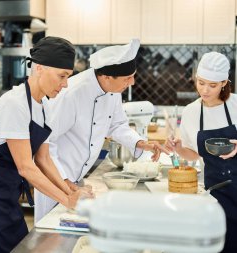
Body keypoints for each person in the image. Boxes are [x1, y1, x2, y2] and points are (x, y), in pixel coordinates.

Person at [0, 36, 82, 253]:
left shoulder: (44, 106)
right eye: (62, 76)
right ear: (40, 68)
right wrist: (66, 201)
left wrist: (69, 193)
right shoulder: (14, 103)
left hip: (6, 192)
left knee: (18, 247)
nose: (65, 84)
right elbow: (26, 166)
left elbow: (43, 159)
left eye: (68, 77)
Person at [34, 39, 170, 222]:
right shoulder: (71, 94)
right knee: (50, 235)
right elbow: (46, 144)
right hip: (54, 180)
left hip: (77, 180)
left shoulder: (113, 91)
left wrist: (141, 143)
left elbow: (117, 125)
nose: (133, 82)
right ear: (106, 77)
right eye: (127, 78)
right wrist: (65, 182)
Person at [165, 52, 237, 253]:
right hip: (216, 193)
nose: (204, 90)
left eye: (212, 85)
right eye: (201, 82)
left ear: (224, 82)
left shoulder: (236, 105)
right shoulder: (191, 112)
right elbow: (194, 154)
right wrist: (179, 148)